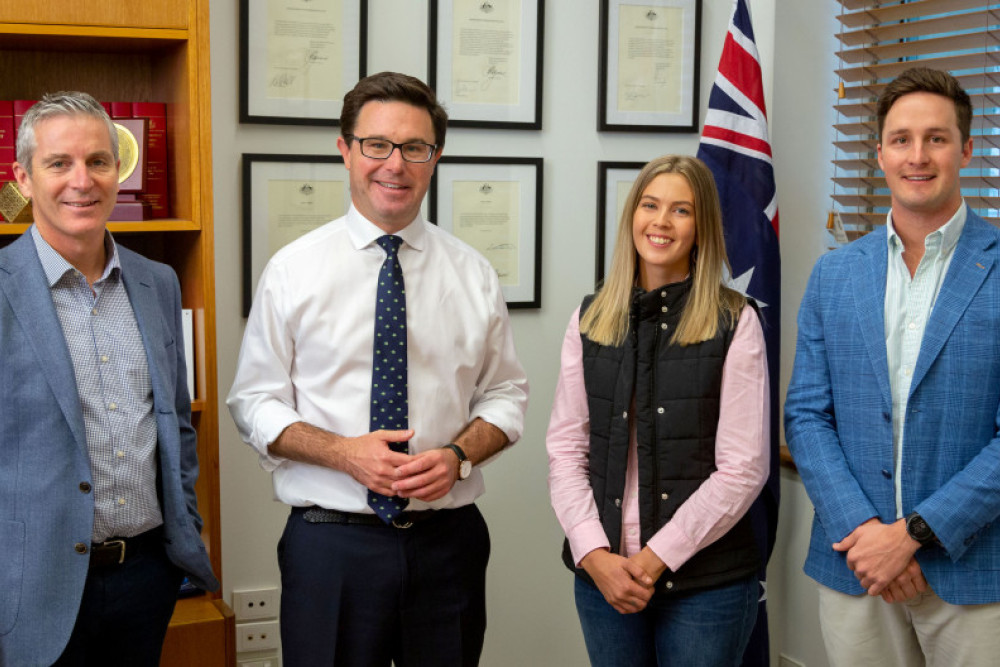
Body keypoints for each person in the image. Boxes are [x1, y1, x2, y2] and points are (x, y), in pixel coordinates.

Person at [227, 71, 529, 667]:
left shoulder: (473, 275)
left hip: (449, 545)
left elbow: (506, 395)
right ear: (345, 150)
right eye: (377, 145)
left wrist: (459, 457)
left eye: (415, 148)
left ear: (434, 158)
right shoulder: (293, 271)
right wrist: (344, 453)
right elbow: (254, 402)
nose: (395, 164)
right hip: (330, 545)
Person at [785, 66, 1000, 666]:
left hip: (975, 572)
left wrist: (912, 537)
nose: (918, 155)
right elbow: (806, 414)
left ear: (967, 148)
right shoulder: (835, 274)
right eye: (902, 139)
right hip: (855, 565)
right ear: (879, 153)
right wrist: (868, 537)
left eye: (936, 137)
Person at [0, 92, 217, 666]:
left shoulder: (158, 282)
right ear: (23, 176)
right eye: (59, 163)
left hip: (146, 576)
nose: (83, 180)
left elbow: (175, 422)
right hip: (29, 587)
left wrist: (183, 532)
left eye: (98, 161)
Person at [546, 154, 769, 666]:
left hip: (705, 584)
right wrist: (594, 554)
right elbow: (565, 448)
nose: (661, 222)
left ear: (702, 227)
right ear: (632, 216)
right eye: (650, 205)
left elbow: (743, 470)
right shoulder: (590, 316)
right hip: (603, 576)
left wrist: (651, 561)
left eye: (681, 210)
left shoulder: (735, 321)